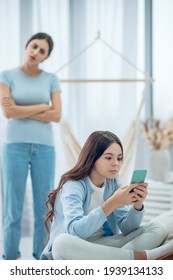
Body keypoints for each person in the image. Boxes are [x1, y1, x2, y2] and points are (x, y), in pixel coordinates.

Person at [40, 130, 173, 260]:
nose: (116, 163)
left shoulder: (113, 182)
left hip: (103, 244)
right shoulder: (73, 185)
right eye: (109, 157)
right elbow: (75, 231)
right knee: (61, 243)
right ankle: (140, 256)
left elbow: (127, 229)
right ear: (92, 158)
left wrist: (137, 206)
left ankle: (116, 260)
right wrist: (113, 202)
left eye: (119, 158)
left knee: (157, 229)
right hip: (76, 247)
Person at [0, 32, 61, 260]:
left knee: (43, 209)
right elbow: (8, 112)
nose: (36, 52)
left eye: (42, 51)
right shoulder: (6, 76)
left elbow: (56, 115)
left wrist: (22, 109)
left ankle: (41, 258)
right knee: (12, 209)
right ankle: (9, 259)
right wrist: (41, 107)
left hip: (45, 148)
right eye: (34, 46)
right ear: (27, 45)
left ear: (45, 57)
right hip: (14, 147)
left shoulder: (51, 79)